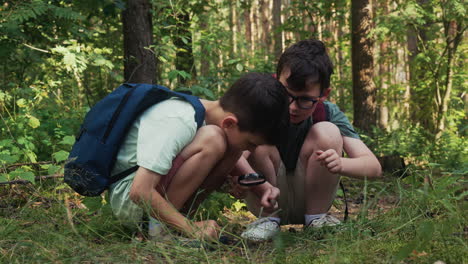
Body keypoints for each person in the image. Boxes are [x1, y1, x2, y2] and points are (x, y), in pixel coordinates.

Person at [108, 72, 288, 241]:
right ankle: (161, 232)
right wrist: (192, 228)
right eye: (251, 143)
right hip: (132, 203)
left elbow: (234, 153)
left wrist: (262, 188)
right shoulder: (180, 118)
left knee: (232, 148)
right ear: (229, 123)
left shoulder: (213, 118)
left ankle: (174, 226)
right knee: (214, 139)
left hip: (154, 198)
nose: (251, 150)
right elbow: (139, 191)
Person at [238, 39, 383, 241]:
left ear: (323, 94)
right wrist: (250, 180)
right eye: (286, 95)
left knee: (328, 131)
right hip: (265, 197)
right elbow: (236, 156)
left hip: (311, 196)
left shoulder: (329, 113)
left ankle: (317, 220)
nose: (292, 107)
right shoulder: (261, 108)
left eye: (305, 99)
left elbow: (373, 167)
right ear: (275, 81)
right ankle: (267, 220)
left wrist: (340, 163)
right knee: (260, 140)